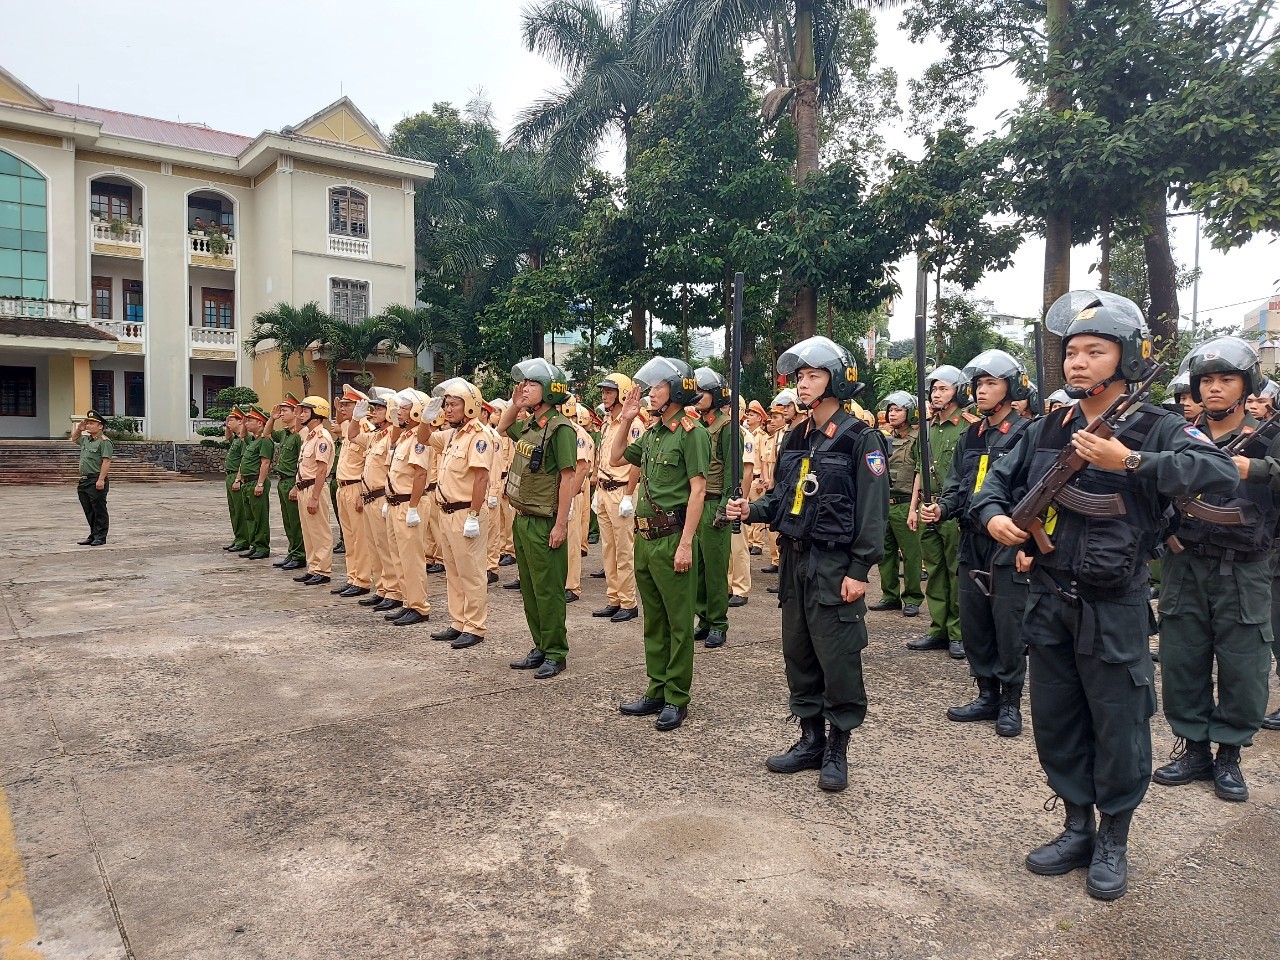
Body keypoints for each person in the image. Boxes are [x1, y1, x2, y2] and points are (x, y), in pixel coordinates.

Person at [972, 290, 1237, 901]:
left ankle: (1114, 838)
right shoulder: (1049, 426)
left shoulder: (1159, 426)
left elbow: (1220, 475)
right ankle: (1075, 826)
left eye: (1095, 351)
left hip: (1114, 604)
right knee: (1059, 722)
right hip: (1048, 598)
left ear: (1128, 358)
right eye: (1071, 352)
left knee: (1119, 726)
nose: (1078, 363)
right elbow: (992, 485)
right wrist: (994, 519)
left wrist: (1133, 461)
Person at [726, 337, 888, 790]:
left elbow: (873, 513)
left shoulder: (862, 438)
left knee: (837, 657)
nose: (803, 384)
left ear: (837, 382)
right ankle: (810, 738)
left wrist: (860, 570)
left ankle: (838, 746)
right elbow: (782, 498)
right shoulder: (797, 436)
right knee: (798, 653)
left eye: (813, 376)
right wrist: (752, 510)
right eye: (799, 377)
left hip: (835, 565)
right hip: (795, 562)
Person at [1152, 337, 1280, 803]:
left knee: (1244, 666)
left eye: (1226, 379)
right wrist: (1163, 530)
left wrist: (1258, 471)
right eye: (1206, 380)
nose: (1214, 388)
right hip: (1185, 564)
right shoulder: (1178, 433)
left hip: (1244, 569)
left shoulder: (1269, 434)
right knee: (1182, 659)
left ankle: (1229, 754)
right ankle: (1194, 748)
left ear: (1247, 385)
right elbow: (1149, 484)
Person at [921, 350, 1034, 737]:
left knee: (1009, 624)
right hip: (971, 538)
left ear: (1011, 388)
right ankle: (986, 693)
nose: (982, 391)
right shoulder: (972, 433)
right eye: (979, 384)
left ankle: (1011, 702)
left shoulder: (1027, 434)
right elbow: (957, 485)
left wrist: (1028, 545)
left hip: (1008, 542)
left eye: (991, 384)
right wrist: (942, 509)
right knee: (975, 621)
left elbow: (1037, 492)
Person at [611, 357, 710, 731]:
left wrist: (686, 545)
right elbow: (617, 456)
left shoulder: (691, 432)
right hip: (646, 539)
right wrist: (626, 418)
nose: (650, 393)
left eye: (657, 387)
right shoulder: (652, 433)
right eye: (650, 387)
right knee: (654, 620)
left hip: (673, 539)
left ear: (678, 390)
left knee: (679, 623)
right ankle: (656, 689)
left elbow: (698, 491)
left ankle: (676, 697)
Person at [498, 359, 579, 679]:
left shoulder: (560, 429)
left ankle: (556, 652)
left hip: (545, 521)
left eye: (531, 384)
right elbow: (503, 428)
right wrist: (514, 403)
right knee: (530, 589)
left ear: (549, 391)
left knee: (548, 590)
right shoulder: (532, 425)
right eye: (524, 384)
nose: (525, 388)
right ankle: (541, 645)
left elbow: (569, 478)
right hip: (523, 517)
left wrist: (561, 525)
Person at [909, 366, 977, 658]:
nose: (936, 394)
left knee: (955, 570)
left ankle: (958, 632)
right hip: (928, 506)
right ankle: (938, 628)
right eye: (934, 389)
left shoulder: (969, 427)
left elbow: (971, 475)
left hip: (954, 508)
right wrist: (913, 507)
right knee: (934, 569)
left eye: (943, 389)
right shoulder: (928, 427)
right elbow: (919, 470)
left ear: (959, 393)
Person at [427, 378, 494, 648]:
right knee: (452, 570)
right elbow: (424, 439)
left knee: (471, 572)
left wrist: (474, 516)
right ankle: (458, 622)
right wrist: (426, 418)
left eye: (453, 404)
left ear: (469, 407)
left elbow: (480, 479)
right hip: (446, 512)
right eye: (446, 404)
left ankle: (475, 626)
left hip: (466, 512)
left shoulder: (479, 436)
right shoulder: (452, 434)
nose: (448, 409)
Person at [591, 373, 643, 622]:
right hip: (604, 489)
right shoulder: (607, 422)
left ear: (622, 393)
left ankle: (629, 602)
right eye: (604, 391)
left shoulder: (633, 423)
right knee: (608, 549)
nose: (604, 395)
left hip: (622, 490)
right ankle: (614, 598)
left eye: (609, 391)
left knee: (624, 550)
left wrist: (629, 495)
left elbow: (635, 463)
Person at [692, 367, 736, 649]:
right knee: (697, 567)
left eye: (703, 392)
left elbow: (732, 472)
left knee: (716, 568)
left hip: (715, 504)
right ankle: (704, 618)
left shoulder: (727, 427)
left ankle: (718, 623)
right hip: (695, 504)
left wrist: (724, 507)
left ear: (717, 396)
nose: (697, 396)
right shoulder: (697, 426)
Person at [868, 391, 923, 618]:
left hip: (905, 503)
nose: (892, 414)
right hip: (885, 503)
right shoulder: (883, 437)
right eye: (891, 410)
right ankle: (889, 595)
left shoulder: (918, 438)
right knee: (884, 552)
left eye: (898, 410)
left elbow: (920, 471)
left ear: (909, 413)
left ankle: (912, 598)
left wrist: (914, 507)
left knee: (911, 554)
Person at [382, 390, 434, 626]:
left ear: (415, 411)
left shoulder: (418, 440)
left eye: (403, 408)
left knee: (411, 558)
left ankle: (419, 606)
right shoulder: (404, 436)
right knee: (399, 556)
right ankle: (407, 601)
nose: (398, 411)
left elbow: (420, 474)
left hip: (408, 504)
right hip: (395, 503)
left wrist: (413, 507)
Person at [357, 387, 401, 609]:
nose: (373, 412)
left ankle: (393, 591)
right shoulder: (376, 436)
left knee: (386, 547)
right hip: (369, 497)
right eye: (373, 409)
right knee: (374, 547)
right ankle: (382, 588)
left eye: (379, 409)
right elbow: (353, 436)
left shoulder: (393, 435)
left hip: (381, 496)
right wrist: (357, 418)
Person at [331, 385, 375, 598]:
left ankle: (363, 580)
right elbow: (339, 422)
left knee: (360, 538)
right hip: (343, 487)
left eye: (348, 405)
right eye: (344, 404)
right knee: (348, 537)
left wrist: (362, 492)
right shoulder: (351, 426)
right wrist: (339, 410)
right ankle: (352, 576)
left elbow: (369, 464)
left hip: (356, 487)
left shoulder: (366, 429)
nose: (344, 408)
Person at [292, 396, 336, 586]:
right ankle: (313, 567)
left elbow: (321, 470)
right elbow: (296, 430)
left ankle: (323, 570)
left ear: (317, 415)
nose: (302, 414)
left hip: (314, 488)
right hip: (304, 487)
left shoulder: (322, 438)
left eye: (306, 411)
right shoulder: (309, 436)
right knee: (308, 531)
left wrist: (315, 497)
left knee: (320, 531)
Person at [265, 395, 307, 571]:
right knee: (287, 521)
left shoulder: (299, 435)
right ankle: (292, 551)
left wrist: (298, 486)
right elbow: (267, 434)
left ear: (295, 413)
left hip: (292, 481)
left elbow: (302, 462)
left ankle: (299, 555)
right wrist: (271, 419)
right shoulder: (284, 434)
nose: (281, 413)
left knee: (296, 521)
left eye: (285, 411)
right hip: (282, 481)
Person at [562, 397, 595, 604]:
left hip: (574, 491)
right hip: (561, 491)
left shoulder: (577, 432)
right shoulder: (561, 428)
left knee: (572, 541)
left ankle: (572, 586)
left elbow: (582, 466)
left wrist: (571, 496)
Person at [234, 405, 274, 559]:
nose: (246, 423)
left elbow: (265, 463)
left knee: (260, 517)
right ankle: (255, 544)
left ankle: (262, 547)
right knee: (250, 517)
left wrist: (260, 483)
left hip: (256, 481)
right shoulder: (253, 440)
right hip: (247, 482)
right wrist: (245, 422)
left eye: (251, 420)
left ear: (260, 424)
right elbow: (242, 436)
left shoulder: (264, 441)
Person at [71, 409, 112, 545]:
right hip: (84, 480)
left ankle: (101, 536)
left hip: (96, 479)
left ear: (100, 426)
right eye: (87, 422)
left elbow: (106, 461)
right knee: (88, 509)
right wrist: (79, 428)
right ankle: (93, 534)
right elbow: (74, 438)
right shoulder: (86, 440)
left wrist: (101, 479)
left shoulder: (104, 442)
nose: (88, 425)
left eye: (92, 423)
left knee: (99, 509)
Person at [221, 407, 248, 552]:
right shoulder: (236, 438)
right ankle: (238, 537)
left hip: (236, 476)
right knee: (233, 510)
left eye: (231, 420)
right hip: (229, 476)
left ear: (240, 421)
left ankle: (243, 540)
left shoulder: (243, 440)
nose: (228, 422)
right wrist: (228, 426)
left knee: (239, 510)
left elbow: (244, 461)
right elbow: (227, 438)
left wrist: (238, 479)